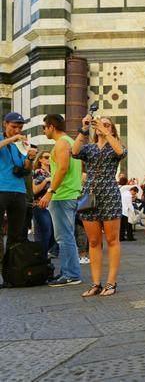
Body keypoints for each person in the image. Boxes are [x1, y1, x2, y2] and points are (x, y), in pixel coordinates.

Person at [72, 114, 128, 296]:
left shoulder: (114, 147)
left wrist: (107, 133)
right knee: (94, 241)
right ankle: (96, 283)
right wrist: (84, 127)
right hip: (89, 195)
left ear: (112, 129)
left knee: (112, 240)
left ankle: (111, 283)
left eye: (107, 125)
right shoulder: (89, 148)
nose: (102, 127)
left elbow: (121, 152)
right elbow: (74, 152)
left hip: (110, 194)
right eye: (100, 124)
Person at [39, 114, 83, 287]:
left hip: (63, 195)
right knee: (66, 236)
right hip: (68, 194)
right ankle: (68, 272)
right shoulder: (70, 142)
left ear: (51, 126)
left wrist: (50, 191)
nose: (44, 130)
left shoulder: (62, 143)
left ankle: (71, 274)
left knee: (64, 237)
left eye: (44, 127)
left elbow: (63, 168)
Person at [0, 112, 37, 278]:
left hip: (19, 191)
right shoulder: (7, 140)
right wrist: (11, 140)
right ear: (5, 124)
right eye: (14, 127)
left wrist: (30, 158)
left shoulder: (21, 144)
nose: (17, 130)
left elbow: (26, 169)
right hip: (1, 189)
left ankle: (10, 272)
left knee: (16, 234)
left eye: (20, 128)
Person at [32, 151, 55, 256]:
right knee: (46, 232)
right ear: (40, 159)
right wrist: (46, 180)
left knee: (51, 234)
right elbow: (35, 190)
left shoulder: (52, 172)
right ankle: (42, 256)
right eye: (46, 157)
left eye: (50, 157)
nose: (49, 159)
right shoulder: (38, 172)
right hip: (40, 205)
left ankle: (42, 255)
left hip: (52, 206)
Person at [119, 177, 136, 242]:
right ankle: (130, 237)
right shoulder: (128, 194)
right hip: (126, 211)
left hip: (121, 210)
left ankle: (121, 237)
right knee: (129, 225)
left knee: (122, 226)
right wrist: (132, 210)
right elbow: (129, 204)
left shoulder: (121, 191)